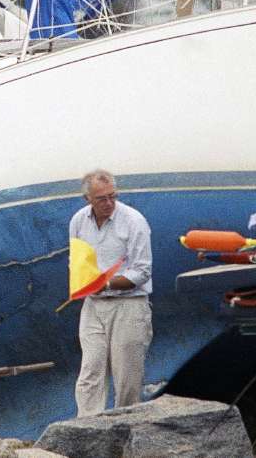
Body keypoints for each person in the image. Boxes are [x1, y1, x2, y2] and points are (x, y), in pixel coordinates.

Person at [70, 169, 153, 417]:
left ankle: (125, 433)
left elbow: (142, 271)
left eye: (112, 197)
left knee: (127, 377)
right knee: (90, 372)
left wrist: (106, 284)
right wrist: (82, 284)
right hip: (93, 305)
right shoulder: (78, 221)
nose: (108, 203)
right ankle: (86, 427)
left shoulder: (134, 220)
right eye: (101, 199)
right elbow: (77, 261)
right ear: (88, 200)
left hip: (129, 304)